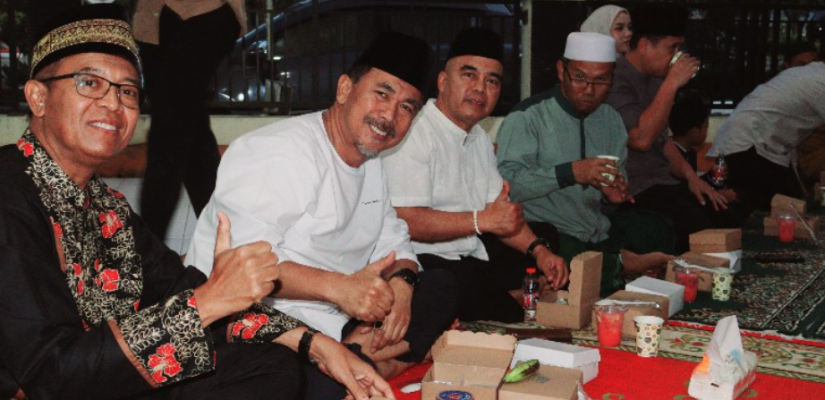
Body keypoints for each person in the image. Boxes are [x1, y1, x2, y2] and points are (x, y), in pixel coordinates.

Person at [0, 5, 393, 400]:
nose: (113, 104)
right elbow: (49, 375)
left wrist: (316, 345)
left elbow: (179, 286)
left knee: (271, 365)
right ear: (38, 97)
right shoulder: (10, 193)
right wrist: (207, 302)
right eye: (89, 83)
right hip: (57, 385)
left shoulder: (107, 207)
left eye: (127, 91)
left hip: (106, 374)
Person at [185, 32, 457, 399]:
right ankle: (365, 362)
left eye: (407, 107)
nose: (390, 115)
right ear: (344, 89)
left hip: (338, 318)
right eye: (382, 94)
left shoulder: (371, 162)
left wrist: (403, 286)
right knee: (288, 379)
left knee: (442, 285)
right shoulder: (279, 152)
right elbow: (241, 266)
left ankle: (360, 358)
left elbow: (394, 239)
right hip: (254, 323)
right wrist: (339, 289)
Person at [381, 28, 568, 323]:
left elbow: (499, 216)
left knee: (547, 237)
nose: (480, 88)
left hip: (470, 249)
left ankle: (508, 295)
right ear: (443, 81)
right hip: (423, 258)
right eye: (469, 75)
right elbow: (406, 220)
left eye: (491, 81)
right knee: (469, 293)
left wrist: (539, 251)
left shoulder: (479, 137)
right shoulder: (416, 130)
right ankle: (510, 300)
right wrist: (483, 221)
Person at [497, 32, 674, 296]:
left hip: (596, 229)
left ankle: (616, 263)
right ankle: (624, 265)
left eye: (600, 80)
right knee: (572, 265)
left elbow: (615, 182)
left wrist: (613, 193)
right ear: (561, 71)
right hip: (548, 230)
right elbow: (508, 185)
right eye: (580, 78)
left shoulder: (611, 120)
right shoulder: (528, 116)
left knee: (657, 227)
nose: (589, 90)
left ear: (612, 77)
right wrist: (572, 172)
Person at [606, 4, 737, 253]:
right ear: (644, 45)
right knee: (702, 235)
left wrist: (693, 179)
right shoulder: (615, 79)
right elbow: (641, 140)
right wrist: (672, 82)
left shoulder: (657, 79)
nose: (677, 56)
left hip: (664, 182)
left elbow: (663, 142)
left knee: (726, 218)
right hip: (635, 188)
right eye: (672, 48)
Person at [133, 0, 246, 240]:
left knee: (167, 137)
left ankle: (148, 253)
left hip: (201, 12)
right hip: (153, 23)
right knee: (193, 140)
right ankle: (225, 242)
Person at [708, 59, 825, 210]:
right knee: (783, 207)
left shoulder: (809, 73)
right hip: (751, 142)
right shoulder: (820, 80)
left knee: (789, 203)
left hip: (757, 142)